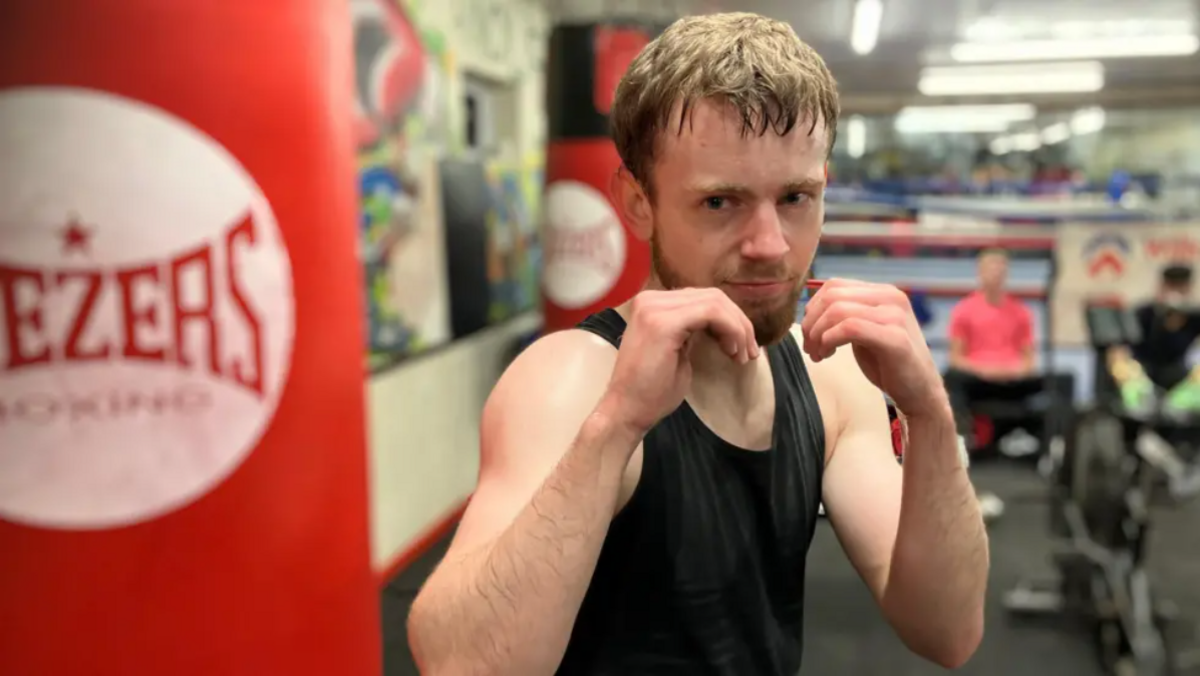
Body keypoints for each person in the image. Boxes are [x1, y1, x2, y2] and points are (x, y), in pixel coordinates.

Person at [406, 13, 988, 676]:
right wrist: (616, 426)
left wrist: (930, 417)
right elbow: (460, 665)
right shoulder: (571, 381)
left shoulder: (831, 381)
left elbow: (949, 630)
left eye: (797, 196)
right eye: (720, 203)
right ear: (637, 201)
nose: (770, 245)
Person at [944, 249, 1048, 449]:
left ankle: (1046, 448)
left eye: (1000, 268)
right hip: (977, 380)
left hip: (1011, 381)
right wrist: (983, 370)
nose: (996, 272)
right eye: (990, 267)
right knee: (952, 377)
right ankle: (960, 440)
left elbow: (1029, 361)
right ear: (980, 272)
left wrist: (1010, 371)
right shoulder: (963, 310)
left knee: (1058, 382)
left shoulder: (1021, 312)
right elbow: (955, 358)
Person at [1109, 264, 1200, 414]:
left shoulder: (1195, 317)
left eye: (1181, 288)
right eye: (1172, 287)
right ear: (1163, 287)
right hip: (1144, 374)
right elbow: (1125, 348)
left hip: (1182, 376)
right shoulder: (1145, 314)